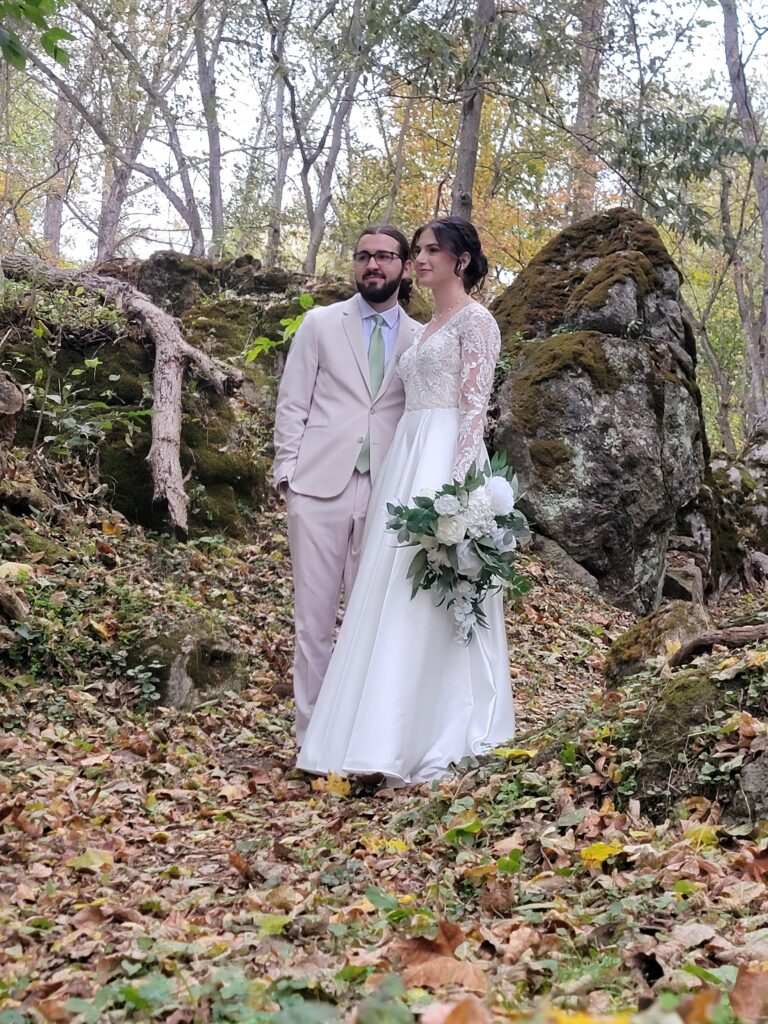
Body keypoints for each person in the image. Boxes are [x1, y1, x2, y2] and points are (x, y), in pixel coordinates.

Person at [297, 217, 515, 785]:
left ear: (460, 260)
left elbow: (474, 410)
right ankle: (366, 734)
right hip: (404, 460)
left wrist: (463, 495)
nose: (419, 260)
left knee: (426, 600)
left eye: (429, 251)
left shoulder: (477, 322)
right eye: (416, 251)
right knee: (388, 593)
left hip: (443, 459)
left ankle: (431, 733)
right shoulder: (423, 329)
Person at [272, 225, 420, 745]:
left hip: (385, 495)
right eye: (363, 257)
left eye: (383, 256)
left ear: (404, 266)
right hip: (316, 488)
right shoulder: (319, 324)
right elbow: (292, 402)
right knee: (312, 622)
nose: (372, 265)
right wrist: (286, 476)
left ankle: (358, 736)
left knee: (368, 623)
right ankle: (313, 738)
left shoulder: (420, 339)